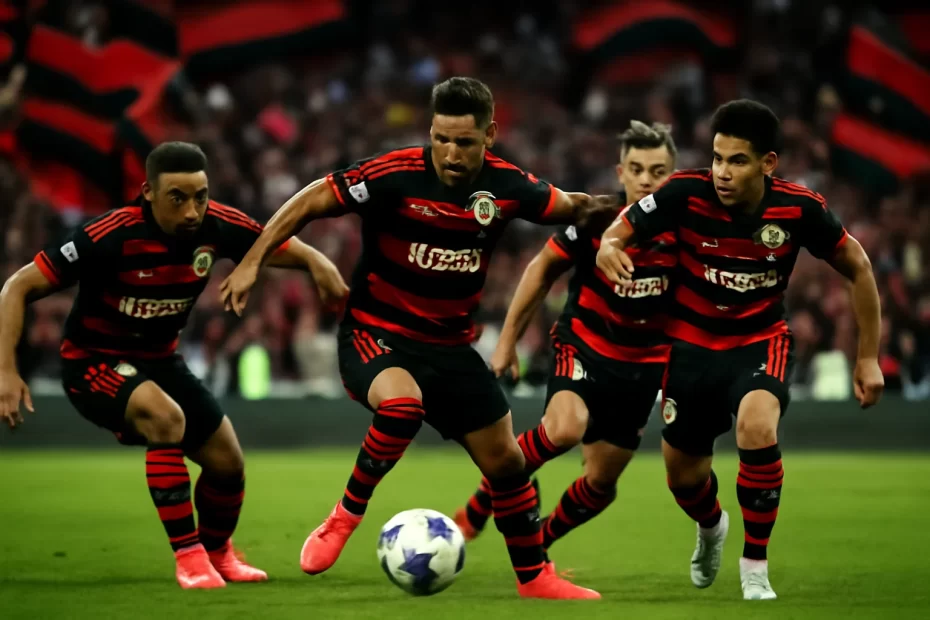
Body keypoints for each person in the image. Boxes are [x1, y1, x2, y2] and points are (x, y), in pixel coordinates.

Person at [220, 77, 618, 600]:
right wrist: (252, 263)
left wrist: (645, 212)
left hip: (450, 347)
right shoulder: (394, 174)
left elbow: (577, 207)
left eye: (464, 142)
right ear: (430, 132)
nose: (451, 153)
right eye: (441, 139)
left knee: (508, 464)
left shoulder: (509, 187)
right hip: (375, 335)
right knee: (402, 406)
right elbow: (310, 200)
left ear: (490, 135)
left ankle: (535, 577)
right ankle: (343, 517)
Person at [0, 142, 350, 589]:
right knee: (167, 419)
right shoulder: (108, 235)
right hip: (93, 362)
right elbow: (16, 287)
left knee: (228, 464)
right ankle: (189, 558)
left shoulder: (216, 225)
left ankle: (218, 551)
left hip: (161, 361)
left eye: (200, 196)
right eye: (178, 198)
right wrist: (7, 372)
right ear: (148, 192)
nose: (192, 210)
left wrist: (316, 260)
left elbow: (271, 240)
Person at [596, 100, 885, 600]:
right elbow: (619, 229)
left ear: (767, 163)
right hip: (690, 351)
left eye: (737, 160)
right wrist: (608, 247)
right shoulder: (684, 192)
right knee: (684, 479)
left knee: (756, 426)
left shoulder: (799, 208)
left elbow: (859, 266)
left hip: (759, 342)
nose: (722, 172)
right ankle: (712, 528)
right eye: (717, 158)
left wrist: (867, 357)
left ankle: (755, 564)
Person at [453, 121, 677, 552]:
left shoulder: (687, 230)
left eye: (658, 170)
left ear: (674, 177)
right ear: (620, 173)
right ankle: (483, 502)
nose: (646, 179)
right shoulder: (596, 218)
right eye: (637, 168)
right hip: (584, 345)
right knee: (564, 428)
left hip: (643, 369)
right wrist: (507, 343)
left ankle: (539, 544)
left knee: (601, 481)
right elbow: (541, 269)